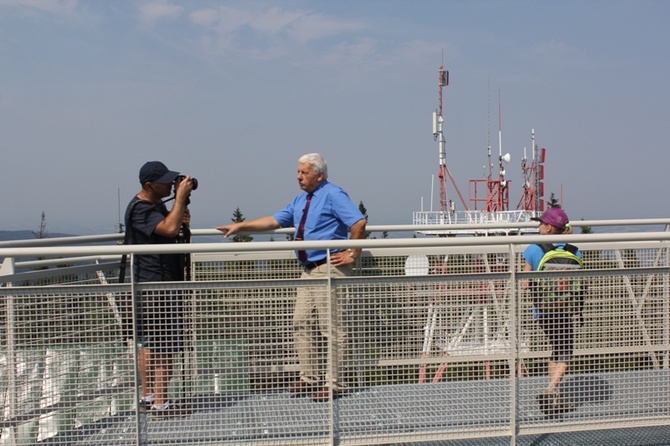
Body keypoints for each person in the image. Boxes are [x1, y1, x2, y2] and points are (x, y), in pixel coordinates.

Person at [216, 153, 366, 402]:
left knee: (331, 328)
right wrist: (240, 226)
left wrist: (354, 253)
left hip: (329, 267)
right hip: (308, 269)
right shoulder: (302, 199)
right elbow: (274, 221)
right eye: (298, 172)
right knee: (301, 322)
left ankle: (335, 384)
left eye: (304, 173)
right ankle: (310, 377)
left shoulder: (333, 194)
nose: (298, 177)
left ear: (319, 175)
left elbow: (358, 222)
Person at [125, 161, 193, 417]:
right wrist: (179, 200)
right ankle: (161, 404)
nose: (170, 184)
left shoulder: (151, 206)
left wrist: (179, 210)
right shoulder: (141, 208)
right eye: (165, 181)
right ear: (148, 185)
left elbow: (172, 227)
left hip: (150, 281)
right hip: (157, 284)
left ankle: (149, 397)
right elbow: (168, 229)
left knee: (151, 343)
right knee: (165, 344)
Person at [523, 207, 583, 416]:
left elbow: (525, 282)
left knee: (557, 350)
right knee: (565, 352)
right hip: (565, 311)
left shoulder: (533, 249)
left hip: (543, 311)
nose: (538, 226)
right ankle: (550, 390)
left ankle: (554, 398)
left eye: (540, 223)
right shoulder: (575, 251)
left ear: (548, 228)